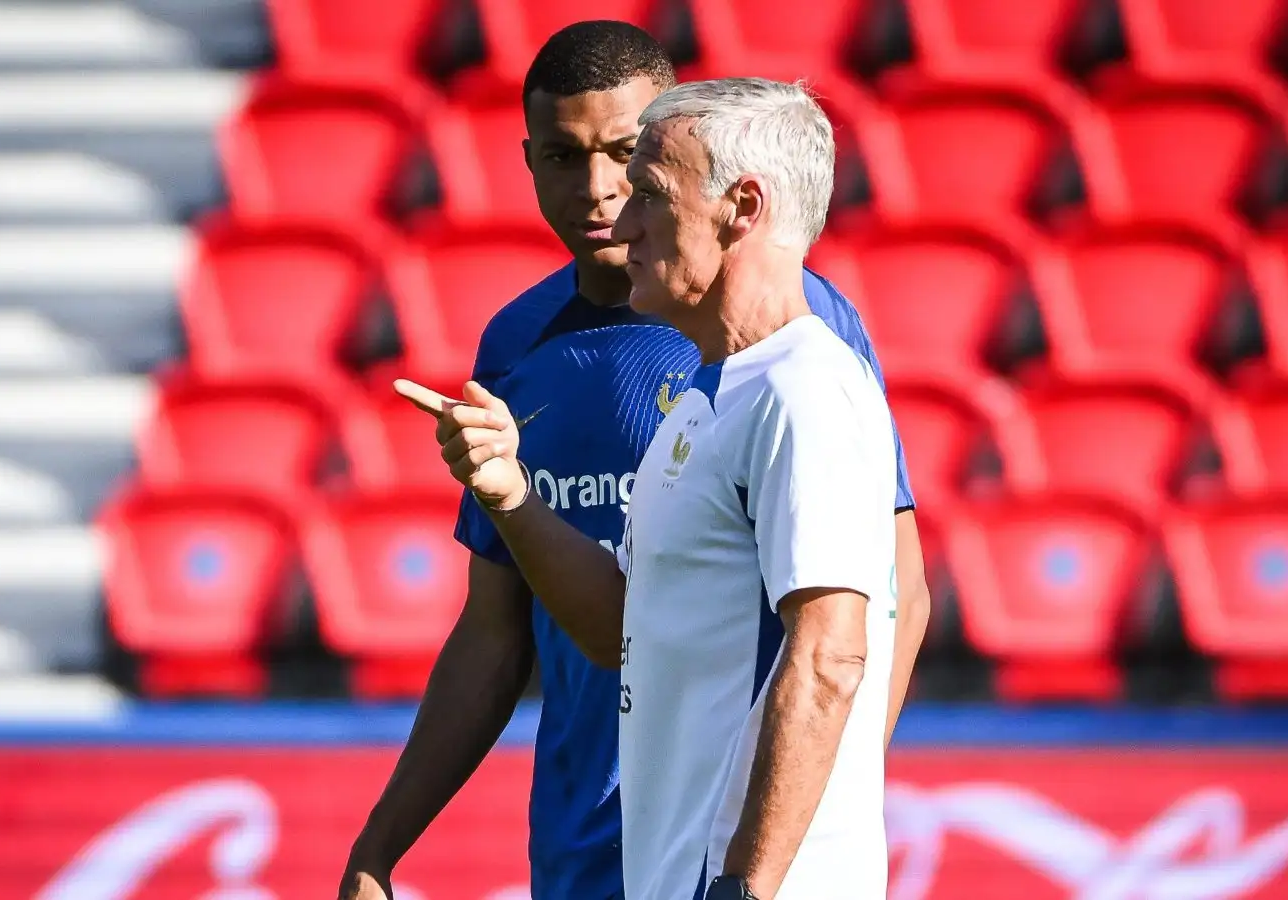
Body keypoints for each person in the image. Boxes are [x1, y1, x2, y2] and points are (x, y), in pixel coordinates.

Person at [340, 23, 928, 900]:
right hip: (601, 846)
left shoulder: (801, 349)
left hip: (738, 856)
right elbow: (552, 629)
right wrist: (381, 846)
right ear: (528, 160)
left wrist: (801, 820)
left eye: (633, 163)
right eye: (565, 159)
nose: (604, 193)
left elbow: (882, 605)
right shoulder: (531, 348)